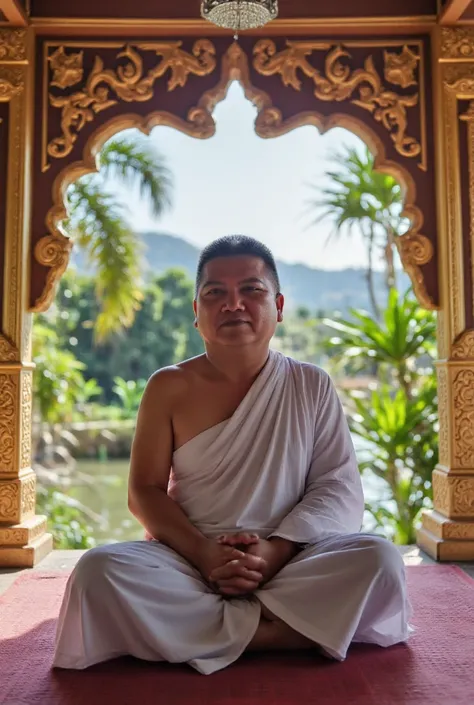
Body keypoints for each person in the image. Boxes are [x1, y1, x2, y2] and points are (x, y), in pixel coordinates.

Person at [54, 235, 411, 674]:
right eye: (215, 293)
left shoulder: (310, 385)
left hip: (290, 557)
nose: (233, 304)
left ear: (278, 306)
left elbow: (336, 488)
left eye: (251, 291)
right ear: (196, 313)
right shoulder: (168, 387)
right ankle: (281, 632)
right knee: (97, 572)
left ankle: (199, 635)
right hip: (188, 560)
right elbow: (144, 492)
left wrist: (273, 552)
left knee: (380, 560)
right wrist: (205, 555)